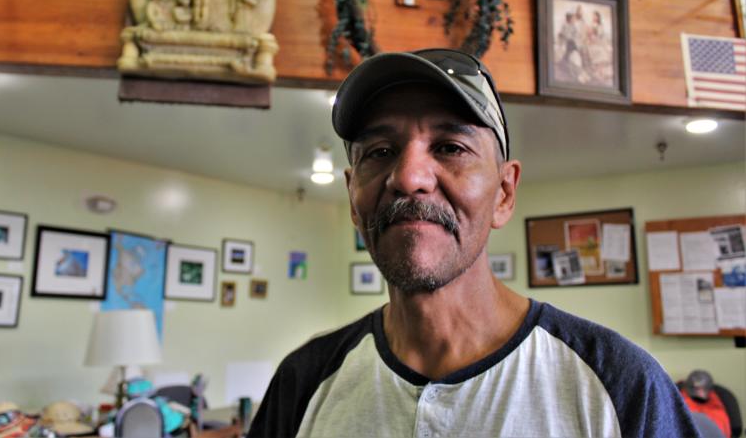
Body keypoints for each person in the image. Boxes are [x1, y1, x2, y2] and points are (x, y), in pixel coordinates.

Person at [248, 48, 699, 438]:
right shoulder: (305, 381)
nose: (408, 177)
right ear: (352, 196)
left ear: (504, 193)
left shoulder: (620, 384)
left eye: (449, 148)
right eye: (380, 152)